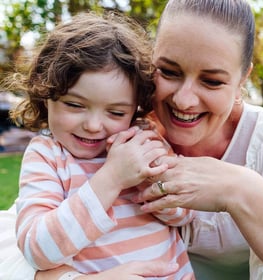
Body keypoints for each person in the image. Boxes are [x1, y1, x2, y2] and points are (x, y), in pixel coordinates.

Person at [1, 0, 263, 279]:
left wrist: (240, 189)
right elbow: (19, 238)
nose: (184, 99)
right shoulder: (121, 135)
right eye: (169, 72)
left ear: (243, 80)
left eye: (212, 80)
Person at [1, 12, 194, 280]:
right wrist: (112, 178)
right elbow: (38, 251)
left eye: (115, 113)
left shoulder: (142, 138)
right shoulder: (47, 156)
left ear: (134, 109)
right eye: (75, 105)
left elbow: (184, 214)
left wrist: (151, 182)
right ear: (46, 95)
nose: (93, 125)